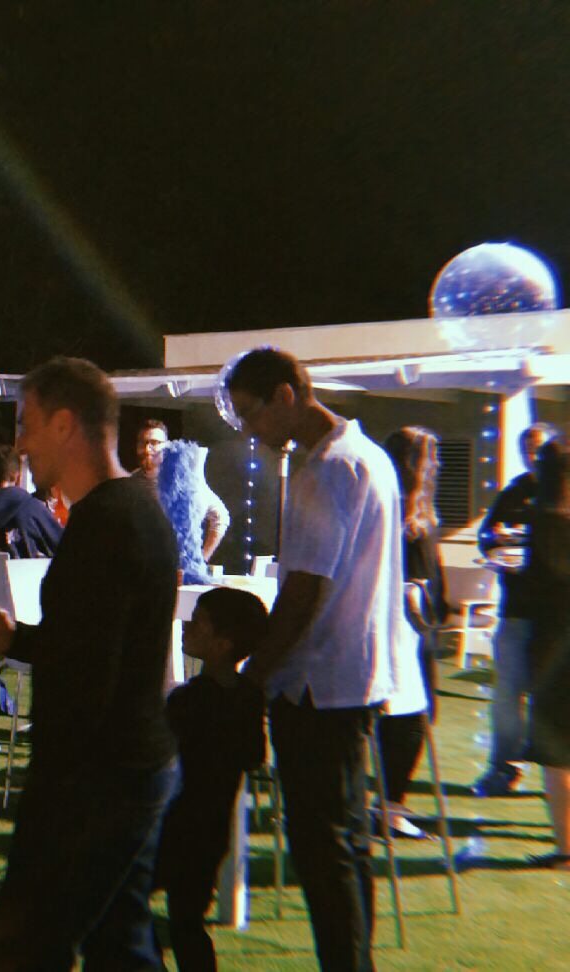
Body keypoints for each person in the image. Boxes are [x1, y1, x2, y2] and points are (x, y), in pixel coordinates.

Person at [0, 357, 180, 970]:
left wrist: (55, 801)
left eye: (26, 423)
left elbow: (91, 673)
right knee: (122, 949)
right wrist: (16, 640)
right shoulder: (126, 511)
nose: (19, 444)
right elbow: (91, 640)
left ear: (64, 425)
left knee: (21, 951)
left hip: (97, 781)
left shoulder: (110, 521)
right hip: (128, 770)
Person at [227, 347, 408, 971]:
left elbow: (303, 592)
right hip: (357, 679)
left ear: (285, 395)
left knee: (324, 849)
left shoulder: (324, 471)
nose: (249, 430)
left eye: (251, 413)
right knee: (348, 844)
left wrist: (253, 676)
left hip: (317, 686)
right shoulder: (370, 457)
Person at [154, 587, 267, 972]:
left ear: (222, 643)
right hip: (214, 829)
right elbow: (254, 756)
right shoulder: (248, 697)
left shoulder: (189, 701)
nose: (187, 627)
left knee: (122, 898)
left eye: (198, 622)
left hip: (176, 824)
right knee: (188, 922)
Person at [473, 422, 558, 796]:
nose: (532, 455)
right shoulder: (514, 493)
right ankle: (503, 768)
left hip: (558, 616)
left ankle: (557, 776)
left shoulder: (563, 492)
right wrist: (497, 546)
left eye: (539, 448)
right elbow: (488, 536)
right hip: (517, 611)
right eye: (527, 448)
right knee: (508, 693)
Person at [374, 427, 451, 839]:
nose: (437, 464)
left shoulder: (419, 509)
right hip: (402, 631)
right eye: (430, 456)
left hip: (420, 628)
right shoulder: (395, 509)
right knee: (406, 720)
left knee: (414, 718)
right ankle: (390, 809)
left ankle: (391, 805)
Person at [527, 434, 570, 869]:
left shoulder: (545, 523)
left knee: (558, 756)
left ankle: (567, 849)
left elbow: (537, 592)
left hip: (555, 647)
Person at [135, 419, 229, 560]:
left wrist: (202, 559)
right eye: (143, 443)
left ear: (166, 446)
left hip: (179, 566)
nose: (147, 450)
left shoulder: (185, 479)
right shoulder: (131, 482)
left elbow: (221, 517)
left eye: (155, 443)